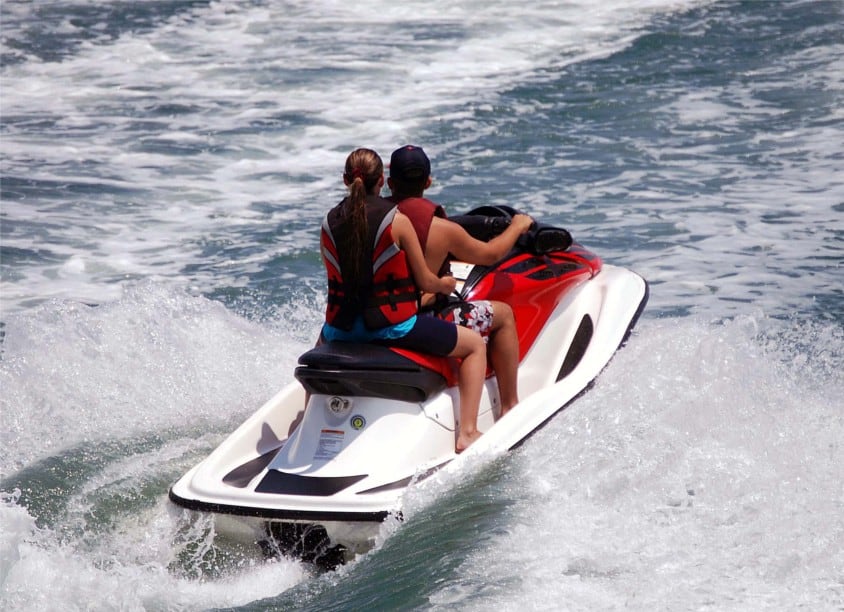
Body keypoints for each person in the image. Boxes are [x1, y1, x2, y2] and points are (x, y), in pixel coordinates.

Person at [320, 147, 487, 452]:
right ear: (380, 181)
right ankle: (468, 432)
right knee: (474, 345)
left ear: (346, 180)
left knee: (319, 346)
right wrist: (445, 284)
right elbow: (425, 281)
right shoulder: (396, 221)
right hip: (391, 328)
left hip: (339, 330)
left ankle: (303, 419)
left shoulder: (329, 223)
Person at [387, 145, 534, 416]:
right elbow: (490, 254)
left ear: (389, 183)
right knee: (503, 314)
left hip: (379, 316)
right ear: (428, 182)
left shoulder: (376, 223)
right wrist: (516, 227)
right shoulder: (444, 230)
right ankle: (509, 407)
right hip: (419, 321)